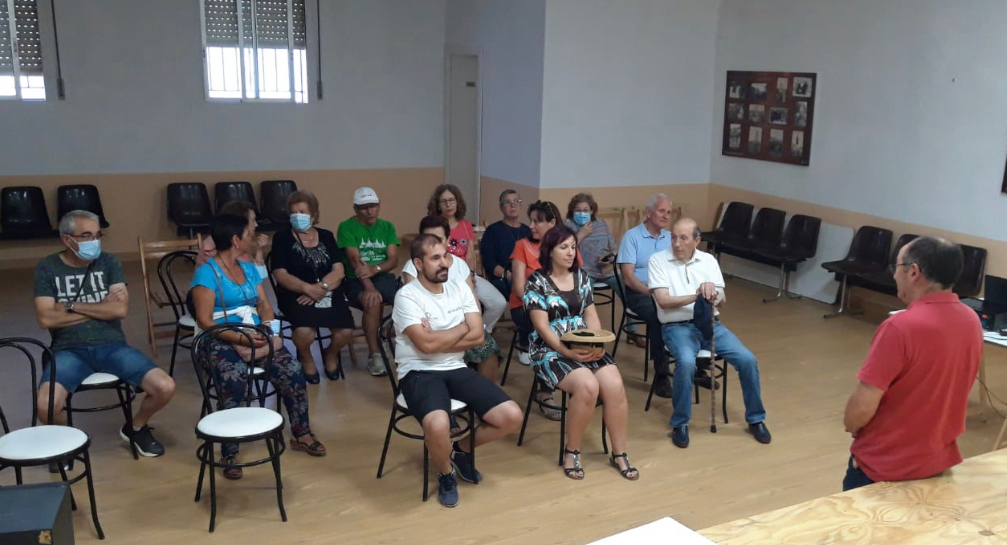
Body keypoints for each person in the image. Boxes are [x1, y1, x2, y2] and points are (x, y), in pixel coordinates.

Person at [393, 234, 523, 508]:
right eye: (435, 258)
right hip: (418, 371)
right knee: (438, 424)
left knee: (511, 417)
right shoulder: (407, 296)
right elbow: (425, 347)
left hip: (455, 366)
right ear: (418, 263)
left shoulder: (460, 289)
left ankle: (461, 451)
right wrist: (463, 327)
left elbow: (478, 337)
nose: (444, 264)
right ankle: (445, 473)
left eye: (446, 257)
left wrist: (442, 336)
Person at [34, 210, 176, 461]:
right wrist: (101, 307)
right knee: (45, 406)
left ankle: (136, 427)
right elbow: (46, 319)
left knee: (165, 387)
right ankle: (66, 442)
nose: (95, 241)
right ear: (67, 239)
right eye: (86, 235)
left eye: (98, 235)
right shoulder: (47, 267)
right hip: (68, 349)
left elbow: (119, 310)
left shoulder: (109, 262)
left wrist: (70, 305)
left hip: (112, 346)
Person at [842, 237, 981, 491]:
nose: (894, 275)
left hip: (883, 469)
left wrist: (851, 424)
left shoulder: (900, 327)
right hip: (936, 466)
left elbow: (861, 410)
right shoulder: (971, 320)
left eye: (897, 267)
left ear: (913, 272)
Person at [192, 215, 326, 479]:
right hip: (219, 337)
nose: (252, 237)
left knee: (291, 370)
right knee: (234, 378)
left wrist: (266, 327)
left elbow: (264, 303)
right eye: (249, 233)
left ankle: (301, 432)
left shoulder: (248, 268)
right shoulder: (206, 273)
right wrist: (243, 339)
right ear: (235, 240)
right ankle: (229, 449)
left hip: (255, 333)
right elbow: (205, 320)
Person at [525, 225, 638, 481]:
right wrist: (567, 351)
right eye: (563, 247)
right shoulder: (537, 281)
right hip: (549, 348)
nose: (569, 252)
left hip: (583, 343)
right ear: (549, 250)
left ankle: (619, 452)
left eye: (572, 247)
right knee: (587, 386)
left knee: (614, 383)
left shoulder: (582, 277)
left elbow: (591, 316)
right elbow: (541, 326)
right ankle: (572, 451)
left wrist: (596, 345)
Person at [648, 218, 771, 449]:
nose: (676, 243)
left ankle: (756, 419)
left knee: (747, 359)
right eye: (673, 237)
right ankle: (680, 423)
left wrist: (712, 293)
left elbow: (722, 300)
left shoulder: (708, 260)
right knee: (685, 362)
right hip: (677, 327)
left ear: (696, 240)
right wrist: (697, 295)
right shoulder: (658, 260)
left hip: (711, 324)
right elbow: (663, 302)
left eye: (683, 238)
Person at [402, 216, 502, 383]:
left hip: (461, 326)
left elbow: (473, 303)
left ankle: (483, 401)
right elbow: (416, 311)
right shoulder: (413, 267)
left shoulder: (460, 265)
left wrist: (470, 326)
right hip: (432, 332)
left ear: (448, 240)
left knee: (489, 351)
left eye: (439, 239)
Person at [269, 190, 354, 383]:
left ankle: (330, 353)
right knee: (304, 332)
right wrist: (308, 289)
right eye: (293, 212)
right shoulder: (282, 237)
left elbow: (338, 270)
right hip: (296, 294)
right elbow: (280, 274)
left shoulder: (326, 236)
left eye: (302, 212)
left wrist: (320, 288)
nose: (297, 216)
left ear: (314, 215)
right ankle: (306, 357)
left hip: (328, 291)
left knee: (345, 332)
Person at [510, 200, 578, 420]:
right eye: (530, 221)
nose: (531, 225)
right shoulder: (522, 245)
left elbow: (578, 283)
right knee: (549, 332)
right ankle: (545, 392)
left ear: (552, 222)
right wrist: (545, 308)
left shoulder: (566, 245)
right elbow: (520, 288)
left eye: (537, 221)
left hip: (560, 310)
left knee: (577, 328)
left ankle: (579, 379)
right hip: (525, 308)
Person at [616, 194, 675, 399]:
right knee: (659, 316)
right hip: (641, 292)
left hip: (668, 291)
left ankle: (698, 367)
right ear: (648, 213)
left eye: (668, 212)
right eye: (661, 211)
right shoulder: (632, 237)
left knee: (697, 309)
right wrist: (652, 292)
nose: (666, 216)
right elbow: (628, 277)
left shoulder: (670, 238)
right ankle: (661, 377)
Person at [337, 186, 399, 377]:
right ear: (355, 209)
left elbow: (393, 260)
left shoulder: (387, 227)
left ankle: (407, 346)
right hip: (355, 280)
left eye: (373, 206)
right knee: (373, 301)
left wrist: (375, 269)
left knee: (409, 298)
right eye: (364, 207)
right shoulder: (346, 227)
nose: (369, 211)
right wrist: (369, 286)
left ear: (379, 206)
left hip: (382, 276)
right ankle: (375, 354)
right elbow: (355, 261)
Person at [427, 184, 507, 332]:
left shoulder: (465, 225)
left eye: (452, 200)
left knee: (498, 303)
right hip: (445, 277)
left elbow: (469, 256)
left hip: (466, 274)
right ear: (437, 205)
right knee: (463, 307)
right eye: (444, 201)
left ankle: (480, 333)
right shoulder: (433, 226)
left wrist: (470, 274)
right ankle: (467, 335)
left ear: (458, 202)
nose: (448, 204)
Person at [196, 200, 269, 278]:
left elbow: (259, 279)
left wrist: (259, 250)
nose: (256, 224)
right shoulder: (210, 247)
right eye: (253, 220)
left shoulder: (244, 241)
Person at [480, 190, 531, 300]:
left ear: (521, 206)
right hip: (503, 278)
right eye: (508, 202)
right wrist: (511, 276)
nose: (513, 205)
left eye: (516, 201)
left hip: (526, 277)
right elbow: (489, 263)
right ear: (501, 207)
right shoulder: (493, 230)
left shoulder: (527, 231)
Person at [563, 193, 617, 291]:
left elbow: (613, 248)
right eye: (578, 210)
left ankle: (631, 307)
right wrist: (581, 234)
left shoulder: (601, 224)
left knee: (628, 287)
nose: (582, 213)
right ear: (573, 211)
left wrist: (611, 258)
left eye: (585, 210)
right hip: (583, 272)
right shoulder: (567, 225)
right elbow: (564, 250)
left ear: (591, 211)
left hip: (606, 271)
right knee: (585, 299)